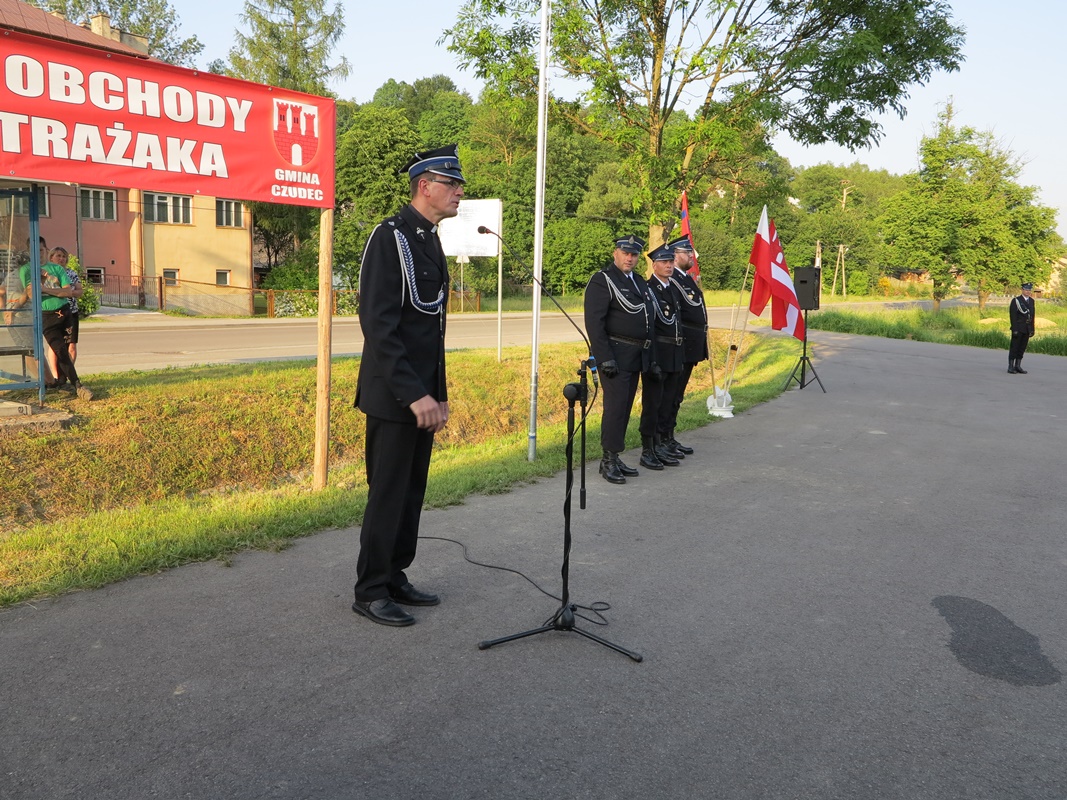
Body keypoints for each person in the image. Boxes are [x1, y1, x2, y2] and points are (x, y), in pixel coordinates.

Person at [351, 144, 463, 627]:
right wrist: (414, 394)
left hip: (422, 394)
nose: (459, 193)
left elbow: (432, 331)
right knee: (388, 493)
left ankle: (395, 574)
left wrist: (438, 393)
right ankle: (370, 589)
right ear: (425, 186)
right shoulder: (389, 237)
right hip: (393, 395)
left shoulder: (428, 239)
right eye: (452, 184)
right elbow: (379, 326)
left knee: (411, 491)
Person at [584, 234, 655, 484]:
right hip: (614, 355)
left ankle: (615, 455)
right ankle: (608, 460)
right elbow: (594, 323)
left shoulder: (638, 281)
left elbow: (648, 319)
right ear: (615, 253)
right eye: (625, 253)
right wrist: (604, 357)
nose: (629, 258)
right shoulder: (602, 280)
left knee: (624, 408)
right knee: (615, 408)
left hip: (636, 355)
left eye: (634, 254)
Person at [14, 238, 93, 399]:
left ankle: (62, 382)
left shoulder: (56, 268)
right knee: (59, 349)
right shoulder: (27, 270)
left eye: (41, 250)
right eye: (34, 251)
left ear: (46, 250)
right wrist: (50, 288)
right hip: (46, 315)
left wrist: (44, 289)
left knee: (66, 348)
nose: (38, 254)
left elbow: (68, 292)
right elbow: (31, 294)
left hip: (64, 312)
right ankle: (78, 385)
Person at [640, 243, 685, 469]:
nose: (669, 266)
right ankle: (648, 448)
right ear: (654, 265)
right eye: (664, 262)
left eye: (671, 262)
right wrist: (652, 360)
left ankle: (661, 443)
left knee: (668, 402)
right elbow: (649, 327)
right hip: (658, 354)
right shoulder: (648, 290)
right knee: (653, 403)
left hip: (674, 354)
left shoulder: (672, 288)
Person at [665, 235, 709, 455]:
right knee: (671, 395)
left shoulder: (685, 278)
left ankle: (669, 437)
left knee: (678, 395)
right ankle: (663, 438)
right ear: (675, 255)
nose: (692, 256)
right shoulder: (672, 279)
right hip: (681, 345)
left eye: (691, 252)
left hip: (691, 344)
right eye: (687, 252)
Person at [47, 246, 83, 383]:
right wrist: (61, 292)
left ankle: (68, 375)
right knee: (55, 345)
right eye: (58, 256)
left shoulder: (71, 273)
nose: (61, 259)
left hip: (71, 312)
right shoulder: (47, 273)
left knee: (71, 344)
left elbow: (79, 291)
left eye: (63, 256)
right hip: (55, 312)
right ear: (51, 258)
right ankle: (56, 376)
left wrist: (67, 292)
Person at [1008, 282, 1036, 374]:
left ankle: (1018, 366)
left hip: (1027, 328)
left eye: (1029, 290)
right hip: (1018, 327)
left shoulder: (1031, 301)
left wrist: (1032, 329)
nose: (1028, 291)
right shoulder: (1016, 301)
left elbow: (1032, 316)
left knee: (1022, 348)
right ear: (1022, 290)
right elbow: (1013, 316)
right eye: (1026, 290)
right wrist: (1014, 329)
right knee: (1014, 347)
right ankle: (1011, 366)